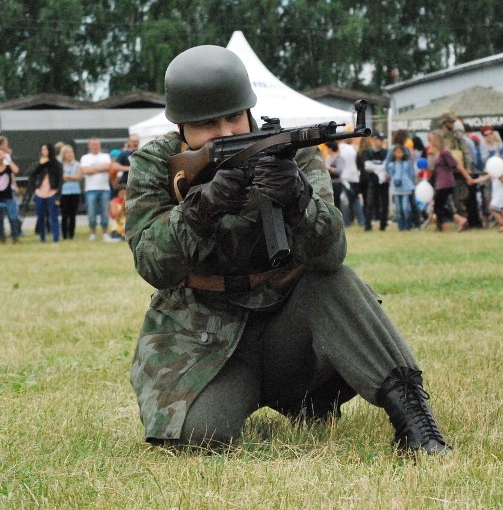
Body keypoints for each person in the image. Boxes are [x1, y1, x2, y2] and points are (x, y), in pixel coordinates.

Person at [125, 44, 449, 454]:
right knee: (200, 436)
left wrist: (298, 201)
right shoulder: (156, 164)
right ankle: (260, 398)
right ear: (182, 128)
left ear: (249, 111)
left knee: (336, 282)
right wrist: (201, 208)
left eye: (233, 117)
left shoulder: (291, 152)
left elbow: (331, 253)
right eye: (208, 124)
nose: (226, 132)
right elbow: (152, 263)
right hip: (202, 330)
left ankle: (414, 419)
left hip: (288, 327)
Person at [428, 130, 471, 232]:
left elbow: (457, 165)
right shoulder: (437, 153)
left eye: (432, 140)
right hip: (440, 183)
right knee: (439, 207)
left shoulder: (445, 152)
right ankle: (445, 226)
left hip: (446, 183)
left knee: (438, 206)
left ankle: (460, 219)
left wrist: (467, 177)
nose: (431, 142)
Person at [80, 137, 113, 241]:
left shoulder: (106, 156)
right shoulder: (85, 158)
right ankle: (92, 234)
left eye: (97, 144)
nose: (95, 146)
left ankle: (105, 234)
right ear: (89, 146)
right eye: (93, 144)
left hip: (104, 189)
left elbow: (109, 167)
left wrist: (93, 168)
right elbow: (85, 170)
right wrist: (101, 168)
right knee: (91, 212)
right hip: (90, 189)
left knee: (105, 212)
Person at [0, 147, 21, 243]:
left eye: (2, 154)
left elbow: (16, 170)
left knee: (12, 217)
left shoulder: (8, 167)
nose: (0, 157)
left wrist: (8, 159)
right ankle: (2, 238)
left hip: (9, 196)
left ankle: (15, 238)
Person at [30, 144, 62, 243]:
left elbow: (60, 180)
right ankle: (42, 238)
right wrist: (35, 188)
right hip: (40, 192)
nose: (43, 151)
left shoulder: (56, 164)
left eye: (45, 149)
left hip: (52, 192)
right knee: (40, 216)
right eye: (42, 149)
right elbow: (32, 175)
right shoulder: (39, 164)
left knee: (53, 216)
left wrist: (58, 196)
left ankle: (56, 238)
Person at [361, 132, 389, 232]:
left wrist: (375, 167)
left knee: (384, 204)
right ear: (373, 140)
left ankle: (383, 225)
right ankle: (368, 225)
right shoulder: (368, 152)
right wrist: (379, 168)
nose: (381, 142)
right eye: (379, 139)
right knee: (370, 203)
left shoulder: (386, 152)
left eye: (382, 140)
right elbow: (367, 166)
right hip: (372, 181)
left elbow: (387, 166)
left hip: (384, 182)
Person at [385, 144, 417, 231]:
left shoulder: (407, 163)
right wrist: (390, 152)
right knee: (398, 209)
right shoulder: (392, 165)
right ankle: (401, 226)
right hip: (396, 188)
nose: (398, 154)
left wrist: (412, 184)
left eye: (400, 152)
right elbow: (386, 167)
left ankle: (408, 225)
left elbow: (412, 174)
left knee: (405, 207)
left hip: (406, 187)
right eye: (396, 152)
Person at [59, 145, 82, 240]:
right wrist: (72, 177)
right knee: (65, 214)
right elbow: (61, 177)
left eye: (71, 152)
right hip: (64, 192)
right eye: (68, 152)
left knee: (73, 215)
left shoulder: (77, 164)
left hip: (75, 191)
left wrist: (68, 177)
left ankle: (71, 234)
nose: (70, 154)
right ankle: (64, 235)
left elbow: (79, 177)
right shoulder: (60, 165)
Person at [323, 142, 344, 213]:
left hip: (337, 183)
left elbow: (339, 170)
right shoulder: (328, 158)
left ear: (331, 149)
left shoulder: (339, 158)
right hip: (329, 183)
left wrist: (330, 168)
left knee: (337, 201)